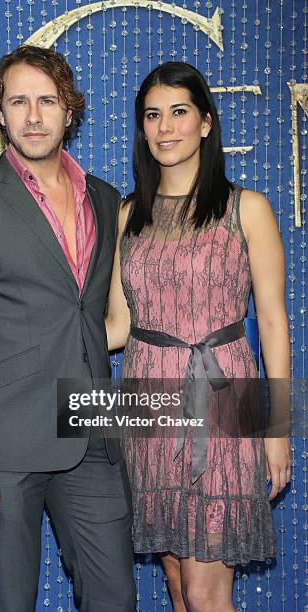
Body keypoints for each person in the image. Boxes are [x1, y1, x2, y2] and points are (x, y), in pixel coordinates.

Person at [0, 44, 136, 612]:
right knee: (10, 603)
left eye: (47, 101)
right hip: (2, 444)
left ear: (70, 110)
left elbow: (96, 317)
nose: (34, 116)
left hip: (91, 434)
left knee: (116, 600)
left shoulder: (106, 199)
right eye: (19, 102)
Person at [106, 61, 291, 612]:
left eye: (179, 113)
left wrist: (276, 430)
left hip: (225, 404)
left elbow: (274, 324)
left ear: (206, 123)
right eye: (152, 115)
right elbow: (117, 326)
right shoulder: (127, 215)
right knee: (179, 589)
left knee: (208, 595)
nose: (165, 128)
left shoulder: (247, 209)